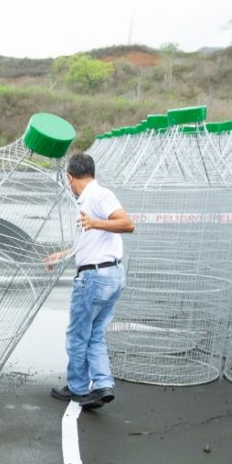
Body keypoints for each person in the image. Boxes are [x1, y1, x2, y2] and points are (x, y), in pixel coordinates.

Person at [44, 153, 134, 409]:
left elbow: (127, 223)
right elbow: (90, 241)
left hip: (95, 278)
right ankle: (103, 386)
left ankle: (78, 388)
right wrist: (63, 255)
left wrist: (94, 222)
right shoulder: (90, 198)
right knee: (95, 334)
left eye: (67, 181)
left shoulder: (97, 195)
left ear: (71, 177)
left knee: (77, 335)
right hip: (110, 274)